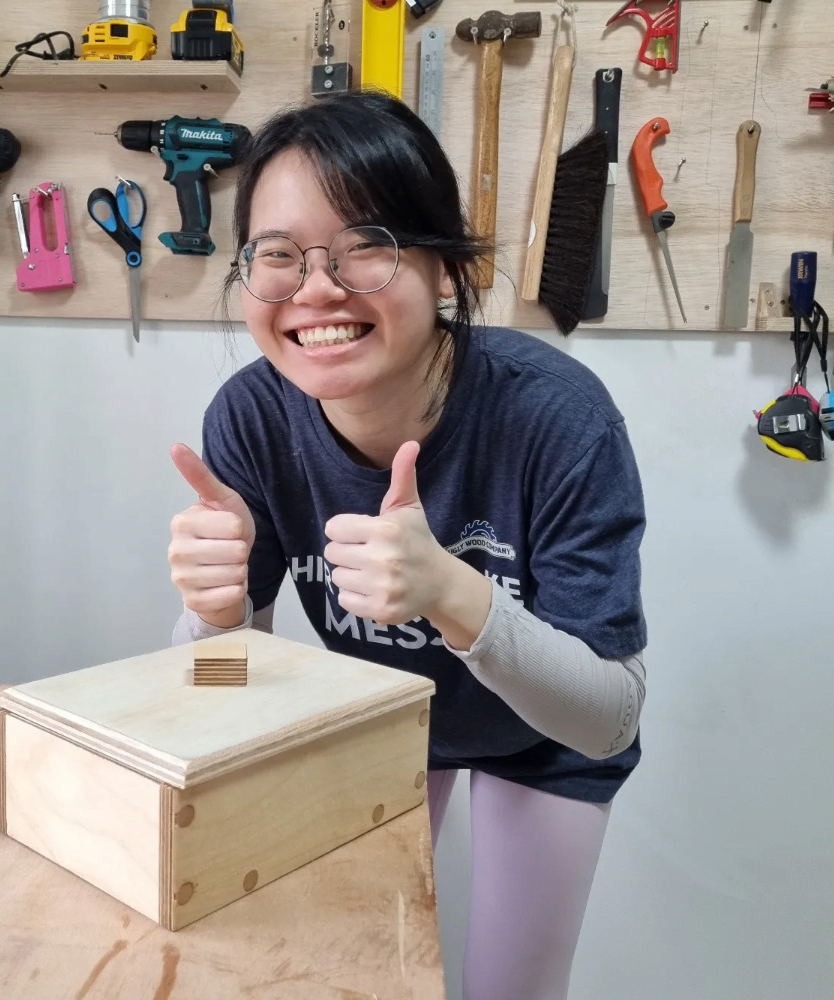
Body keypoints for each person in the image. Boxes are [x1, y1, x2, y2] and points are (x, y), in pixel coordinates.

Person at [166, 89, 647, 1000]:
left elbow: (607, 718)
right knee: (347, 974)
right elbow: (221, 692)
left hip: (544, 740)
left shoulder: (557, 418)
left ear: (445, 271)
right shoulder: (253, 417)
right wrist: (215, 626)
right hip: (377, 723)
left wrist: (451, 593)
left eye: (366, 246)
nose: (316, 289)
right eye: (279, 255)